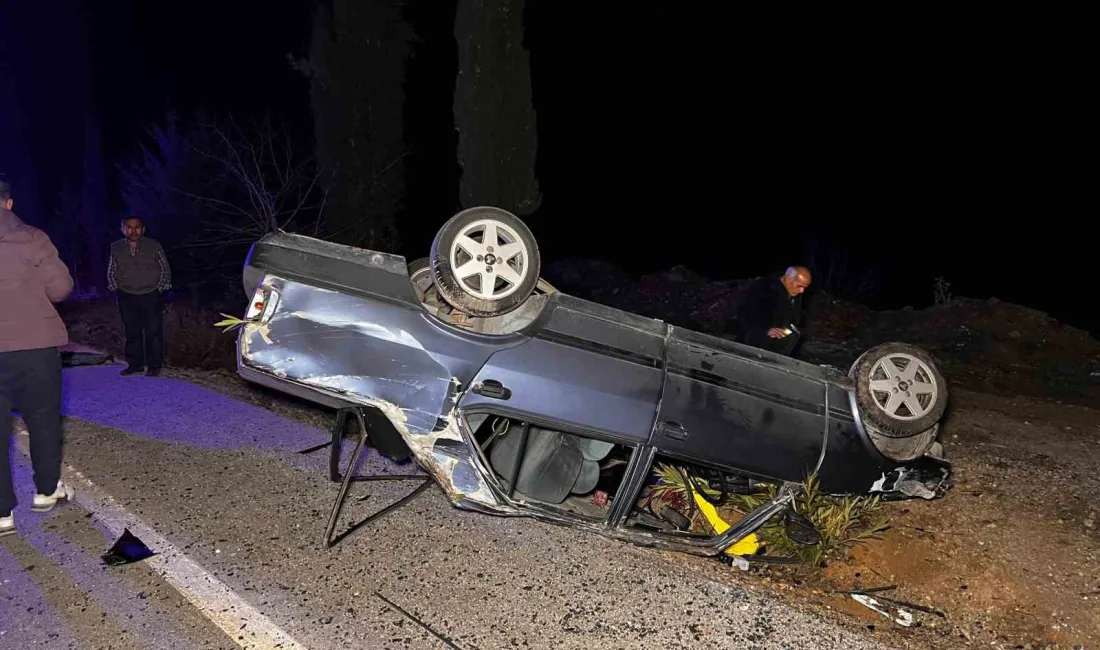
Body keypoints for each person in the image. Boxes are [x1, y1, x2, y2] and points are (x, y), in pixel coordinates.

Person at [0, 180, 77, 538]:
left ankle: (2, 514)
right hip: (35, 346)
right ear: (9, 203)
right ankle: (47, 491)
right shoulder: (32, 238)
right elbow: (61, 288)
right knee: (43, 419)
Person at [107, 216, 171, 376]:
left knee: (153, 331)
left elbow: (165, 268)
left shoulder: (154, 245)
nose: (133, 231)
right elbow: (111, 269)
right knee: (131, 331)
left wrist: (160, 288)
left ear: (143, 229)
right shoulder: (116, 247)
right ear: (123, 229)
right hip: (126, 295)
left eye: (137, 227)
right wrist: (115, 288)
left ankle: (154, 365)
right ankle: (135, 364)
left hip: (150, 294)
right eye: (129, 227)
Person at [736, 265, 812, 357]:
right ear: (788, 278)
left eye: (804, 287)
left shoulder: (794, 293)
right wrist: (765, 330)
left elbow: (794, 317)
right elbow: (745, 314)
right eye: (799, 286)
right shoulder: (763, 288)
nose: (802, 291)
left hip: (779, 346)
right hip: (753, 345)